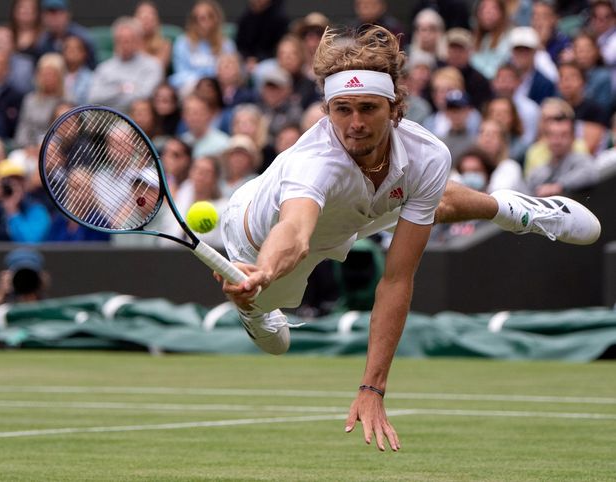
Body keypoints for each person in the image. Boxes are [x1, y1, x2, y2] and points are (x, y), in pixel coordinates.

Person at [214, 26, 601, 452]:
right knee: (272, 320)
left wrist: (373, 387)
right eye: (341, 109)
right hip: (256, 244)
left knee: (428, 196)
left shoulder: (427, 153)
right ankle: (256, 312)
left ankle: (517, 211)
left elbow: (397, 279)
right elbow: (295, 232)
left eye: (368, 108)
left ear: (395, 108)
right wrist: (262, 273)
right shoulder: (314, 165)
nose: (355, 123)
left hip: (351, 213)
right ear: (327, 110)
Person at [87, 16, 162, 113]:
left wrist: (109, 98)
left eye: (128, 40)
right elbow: (93, 97)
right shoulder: (104, 68)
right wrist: (120, 90)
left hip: (134, 119)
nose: (124, 45)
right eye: (119, 40)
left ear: (138, 41)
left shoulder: (153, 65)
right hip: (105, 117)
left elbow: (146, 95)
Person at [169, 0, 236, 92]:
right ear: (193, 22)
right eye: (199, 19)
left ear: (215, 19)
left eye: (209, 18)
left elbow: (233, 72)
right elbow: (181, 73)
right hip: (191, 87)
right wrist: (201, 81)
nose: (204, 23)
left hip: (219, 88)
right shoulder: (182, 43)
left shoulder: (227, 44)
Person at [526, 115, 600, 196]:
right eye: (552, 135)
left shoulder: (581, 160)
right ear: (546, 138)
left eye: (563, 135)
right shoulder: (538, 173)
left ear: (573, 138)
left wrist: (559, 186)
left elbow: (590, 174)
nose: (557, 141)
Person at [36, 0, 96, 69]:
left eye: (58, 13)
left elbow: (93, 67)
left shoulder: (82, 37)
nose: (54, 19)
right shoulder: (42, 40)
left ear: (67, 14)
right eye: (49, 14)